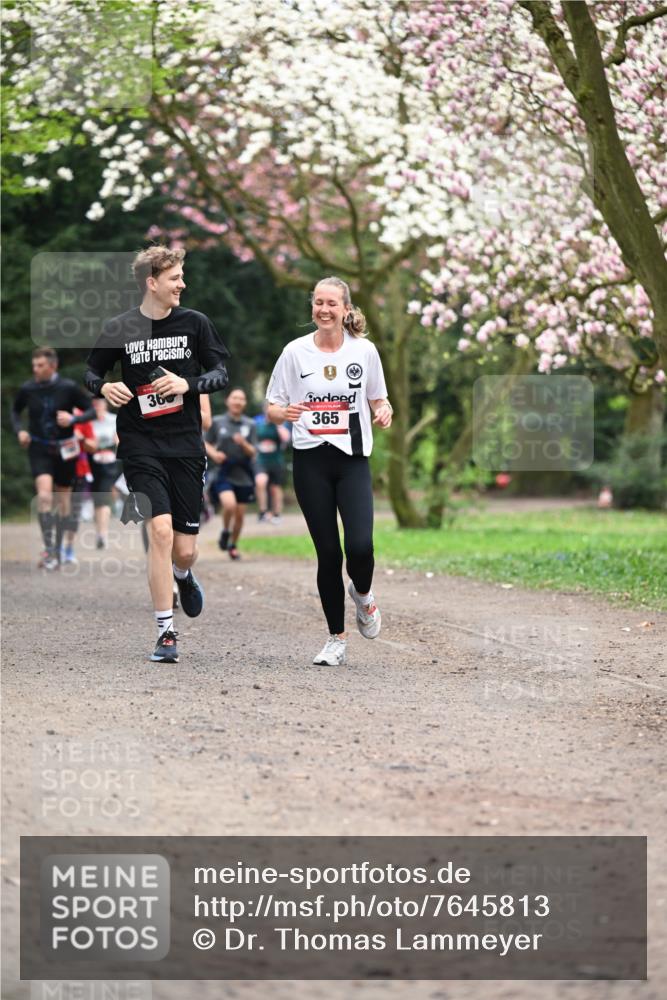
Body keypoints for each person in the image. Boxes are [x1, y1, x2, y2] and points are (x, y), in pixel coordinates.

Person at [84, 245, 229, 664]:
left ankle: (184, 575)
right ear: (152, 282)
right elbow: (92, 371)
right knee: (159, 533)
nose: (182, 284)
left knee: (184, 550)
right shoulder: (120, 327)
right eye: (175, 278)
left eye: (181, 277)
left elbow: (220, 373)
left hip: (185, 445)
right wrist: (103, 387)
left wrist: (189, 385)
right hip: (139, 443)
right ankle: (166, 631)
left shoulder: (196, 324)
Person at [266, 276, 392, 666]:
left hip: (352, 458)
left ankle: (365, 596)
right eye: (318, 303)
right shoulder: (294, 352)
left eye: (331, 304)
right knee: (328, 554)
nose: (323, 309)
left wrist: (383, 410)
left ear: (345, 309)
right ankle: (335, 639)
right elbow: (272, 404)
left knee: (359, 546)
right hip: (310, 460)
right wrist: (281, 413)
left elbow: (379, 397)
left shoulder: (364, 351)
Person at [11, 347, 95, 570]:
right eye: (34, 365)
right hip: (39, 447)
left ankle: (62, 547)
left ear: (53, 366)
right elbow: (15, 411)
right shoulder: (28, 388)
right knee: (45, 496)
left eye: (40, 365)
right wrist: (20, 431)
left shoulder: (67, 388)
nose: (35, 369)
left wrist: (73, 419)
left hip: (66, 449)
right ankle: (49, 550)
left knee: (63, 501)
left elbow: (91, 411)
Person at [205, 388, 257, 560]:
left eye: (241, 399)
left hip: (243, 473)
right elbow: (205, 443)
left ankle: (233, 545)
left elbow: (253, 452)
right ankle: (226, 531)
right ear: (228, 401)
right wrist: (214, 454)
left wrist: (243, 444)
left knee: (240, 515)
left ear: (245, 403)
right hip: (223, 472)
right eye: (234, 398)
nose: (237, 401)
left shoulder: (250, 424)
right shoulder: (218, 421)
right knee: (229, 505)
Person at [88, 396, 122, 549]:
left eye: (100, 403)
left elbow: (118, 441)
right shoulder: (87, 421)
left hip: (110, 463)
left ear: (105, 404)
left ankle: (103, 533)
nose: (97, 406)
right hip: (92, 464)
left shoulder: (113, 419)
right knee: (97, 498)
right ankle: (99, 532)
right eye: (94, 404)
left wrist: (107, 446)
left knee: (103, 495)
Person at [254, 402, 290, 523]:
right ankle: (263, 512)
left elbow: (286, 439)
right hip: (261, 460)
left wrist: (278, 424)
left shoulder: (281, 424)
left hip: (276, 461)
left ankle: (276, 514)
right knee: (260, 481)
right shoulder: (258, 424)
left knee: (275, 488)